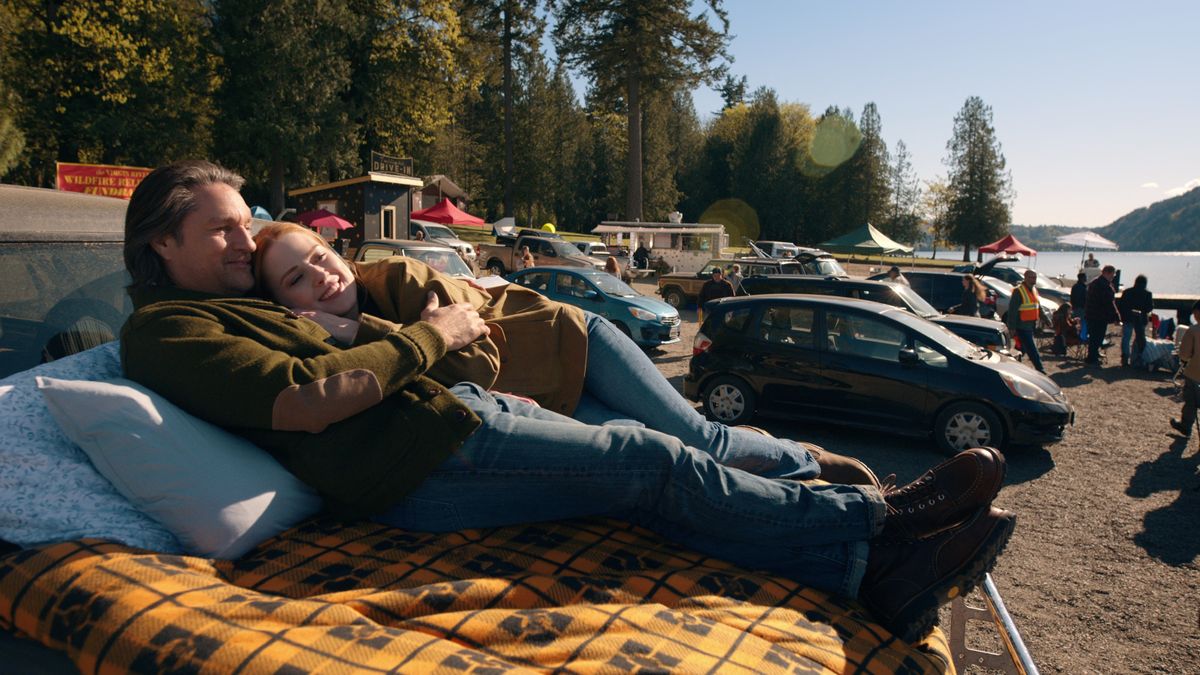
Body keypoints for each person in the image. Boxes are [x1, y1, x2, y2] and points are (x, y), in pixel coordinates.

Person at [118, 161, 1015, 643]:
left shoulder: (242, 303)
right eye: (224, 228)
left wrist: (413, 331)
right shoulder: (165, 332)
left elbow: (359, 325)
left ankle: (871, 549)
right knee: (650, 460)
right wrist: (437, 336)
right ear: (162, 244)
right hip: (417, 464)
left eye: (246, 221)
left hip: (454, 422)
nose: (245, 237)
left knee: (646, 460)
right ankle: (875, 535)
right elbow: (309, 401)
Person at [1170, 300, 1200, 437]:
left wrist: (1185, 359)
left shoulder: (1194, 330)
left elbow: (1184, 354)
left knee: (1191, 402)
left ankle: (1186, 426)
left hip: (1195, 372)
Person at [1006, 270, 1046, 374]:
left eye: (1035, 277)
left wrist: (1045, 318)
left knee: (1021, 348)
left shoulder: (1034, 290)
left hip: (1031, 324)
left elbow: (1038, 306)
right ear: (1026, 278)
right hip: (1022, 326)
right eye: (1032, 277)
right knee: (1032, 349)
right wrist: (1012, 327)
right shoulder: (1019, 291)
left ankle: (1010, 365)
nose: (1034, 279)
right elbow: (1012, 310)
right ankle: (1040, 370)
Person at [1084, 265, 1122, 366]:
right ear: (1107, 273)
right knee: (1097, 337)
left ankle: (1093, 355)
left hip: (1092, 314)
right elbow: (1109, 302)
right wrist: (1116, 315)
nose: (1113, 276)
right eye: (1112, 274)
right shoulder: (1104, 285)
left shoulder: (1095, 282)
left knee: (1094, 337)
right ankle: (1092, 358)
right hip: (1098, 316)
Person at [1117, 275, 1153, 367]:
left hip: (1128, 318)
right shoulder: (1147, 294)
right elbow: (1149, 308)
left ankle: (1125, 358)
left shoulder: (1127, 292)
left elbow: (1121, 305)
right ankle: (1137, 357)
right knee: (1139, 338)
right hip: (1141, 319)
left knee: (1126, 338)